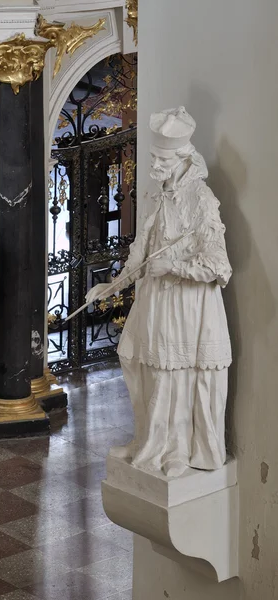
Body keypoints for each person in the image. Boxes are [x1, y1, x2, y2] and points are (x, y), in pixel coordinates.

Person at [86, 107, 232, 477]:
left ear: (181, 157)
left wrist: (175, 267)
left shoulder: (201, 199)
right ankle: (149, 441)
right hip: (158, 300)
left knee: (174, 374)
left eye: (160, 158)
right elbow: (140, 255)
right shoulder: (161, 195)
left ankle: (175, 450)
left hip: (187, 305)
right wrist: (110, 285)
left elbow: (219, 265)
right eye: (153, 156)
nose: (153, 163)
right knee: (143, 365)